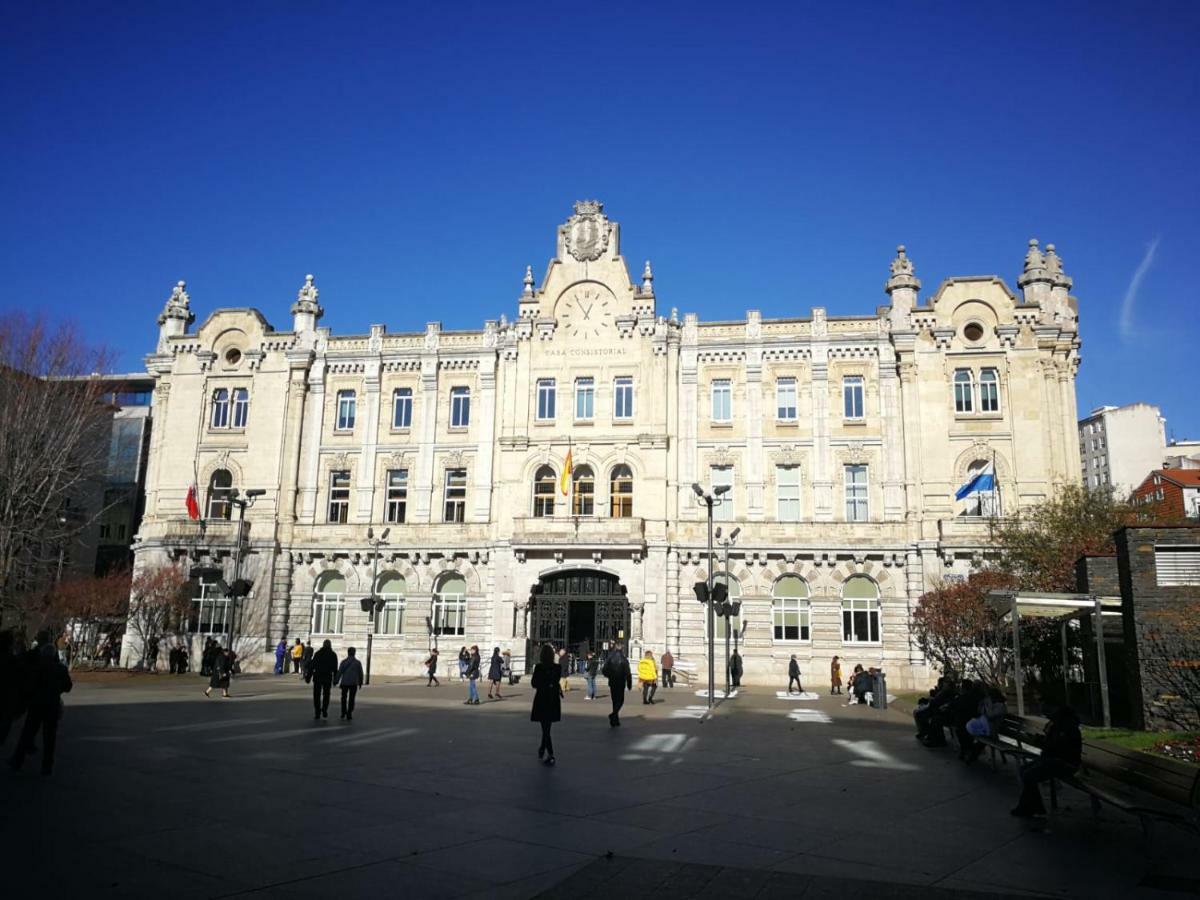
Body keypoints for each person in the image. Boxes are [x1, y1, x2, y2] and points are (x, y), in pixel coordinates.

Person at [8, 639, 72, 775]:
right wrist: (57, 689)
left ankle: (17, 761)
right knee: (50, 738)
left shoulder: (37, 667)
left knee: (27, 734)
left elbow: (29, 686)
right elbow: (68, 686)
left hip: (37, 705)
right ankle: (47, 766)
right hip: (52, 705)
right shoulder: (61, 668)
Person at [1011, 702, 1083, 817]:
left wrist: (1039, 742)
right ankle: (1035, 807)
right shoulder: (1057, 725)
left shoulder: (1067, 728)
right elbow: (1052, 744)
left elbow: (1057, 747)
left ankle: (1029, 808)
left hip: (1065, 763)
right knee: (1024, 770)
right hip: (1053, 760)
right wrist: (1040, 739)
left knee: (1029, 775)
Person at [530, 643, 562, 766]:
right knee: (547, 727)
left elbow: (534, 684)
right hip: (553, 699)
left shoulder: (539, 667)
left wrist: (542, 684)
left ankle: (551, 754)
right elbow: (555, 681)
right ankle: (542, 748)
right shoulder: (557, 668)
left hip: (542, 698)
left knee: (545, 728)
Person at [602, 642, 632, 727]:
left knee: (614, 700)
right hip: (621, 682)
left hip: (612, 682)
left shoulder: (610, 658)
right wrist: (629, 683)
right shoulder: (624, 659)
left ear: (615, 648)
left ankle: (615, 720)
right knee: (620, 700)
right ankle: (614, 715)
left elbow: (604, 670)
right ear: (622, 649)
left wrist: (609, 676)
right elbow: (628, 672)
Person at [308, 639, 338, 719]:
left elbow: (312, 666)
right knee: (326, 694)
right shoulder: (333, 655)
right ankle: (324, 709)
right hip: (327, 676)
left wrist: (308, 677)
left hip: (318, 676)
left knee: (317, 695)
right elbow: (335, 668)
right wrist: (335, 679)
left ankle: (317, 711)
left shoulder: (318, 653)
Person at [336, 647, 364, 720]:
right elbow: (360, 673)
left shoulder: (343, 662)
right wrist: (360, 682)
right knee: (352, 698)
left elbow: (340, 672)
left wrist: (336, 680)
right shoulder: (357, 663)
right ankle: (349, 712)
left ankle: (343, 711)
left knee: (343, 698)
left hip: (345, 682)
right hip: (353, 683)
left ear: (348, 652)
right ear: (354, 653)